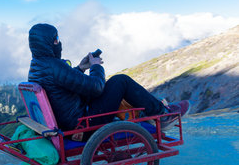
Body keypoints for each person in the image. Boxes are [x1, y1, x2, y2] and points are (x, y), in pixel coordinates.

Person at [27, 23, 190, 141]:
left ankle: (150, 112)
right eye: (56, 40)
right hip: (82, 126)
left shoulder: (37, 66)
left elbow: (62, 86)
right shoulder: (54, 65)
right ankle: (162, 115)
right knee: (121, 81)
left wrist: (81, 68)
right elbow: (96, 88)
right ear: (47, 43)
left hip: (69, 124)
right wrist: (96, 67)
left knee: (115, 85)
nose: (58, 43)